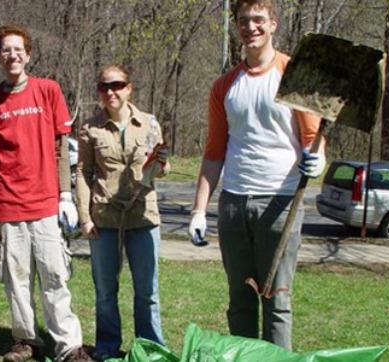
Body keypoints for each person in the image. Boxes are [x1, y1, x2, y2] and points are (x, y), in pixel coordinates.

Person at [188, 0, 326, 350]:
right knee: (241, 299)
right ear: (236, 27)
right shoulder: (224, 86)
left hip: (280, 203)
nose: (251, 27)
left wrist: (318, 161)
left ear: (274, 24)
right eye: (244, 21)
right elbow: (214, 152)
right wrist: (199, 210)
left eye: (259, 20)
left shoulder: (296, 75)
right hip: (234, 203)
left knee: (277, 300)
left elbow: (314, 140)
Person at [0, 23, 90, 362]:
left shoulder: (48, 90)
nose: (12, 55)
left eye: (18, 49)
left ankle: (68, 345)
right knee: (17, 282)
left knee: (55, 277)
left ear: (28, 53)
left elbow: (60, 146)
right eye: (5, 50)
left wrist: (65, 196)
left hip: (46, 204)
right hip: (8, 207)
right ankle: (26, 342)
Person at [75, 64, 169, 360]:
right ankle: (107, 346)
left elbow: (160, 170)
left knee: (147, 293)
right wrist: (85, 218)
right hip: (105, 220)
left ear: (129, 88)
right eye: (104, 87)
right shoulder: (90, 128)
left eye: (117, 85)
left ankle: (151, 348)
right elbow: (82, 173)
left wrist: (162, 164)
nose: (110, 92)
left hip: (143, 217)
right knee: (105, 292)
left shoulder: (150, 124)